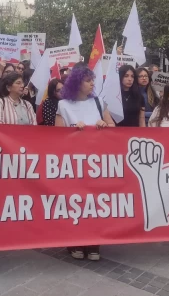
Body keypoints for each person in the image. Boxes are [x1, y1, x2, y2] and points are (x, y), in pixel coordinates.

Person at [55, 64, 114, 261]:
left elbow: (113, 127)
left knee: (96, 202)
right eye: (88, 81)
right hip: (72, 164)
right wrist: (73, 130)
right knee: (75, 202)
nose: (92, 84)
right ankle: (75, 241)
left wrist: (104, 125)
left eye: (92, 81)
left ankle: (94, 242)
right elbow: (56, 136)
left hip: (97, 162)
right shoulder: (63, 105)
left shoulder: (98, 102)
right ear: (77, 83)